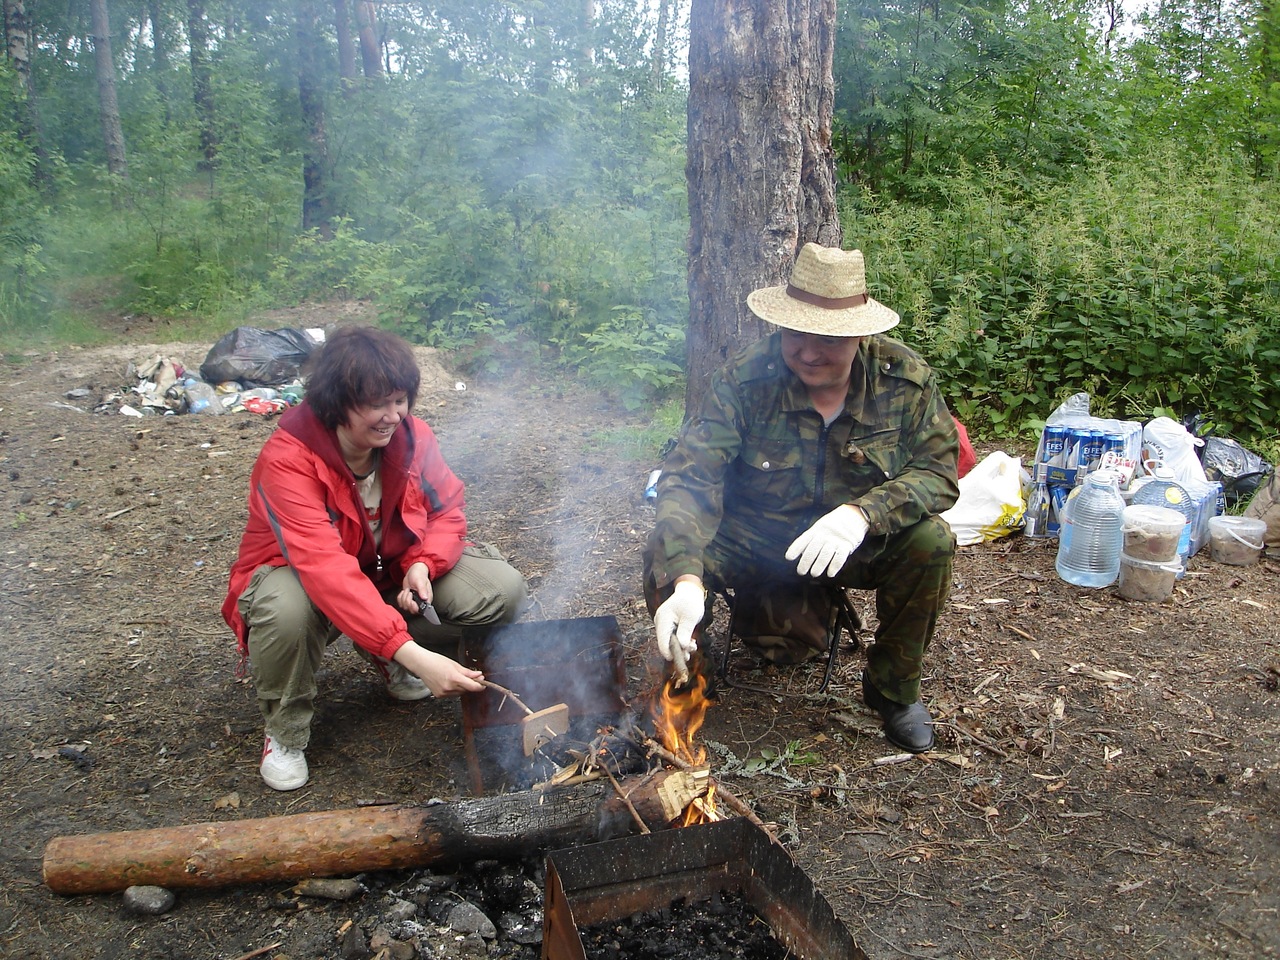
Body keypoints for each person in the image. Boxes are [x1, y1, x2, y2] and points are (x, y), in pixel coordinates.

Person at [645, 243, 959, 753]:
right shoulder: (745, 380)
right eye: (796, 333)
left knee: (931, 541)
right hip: (755, 534)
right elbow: (689, 477)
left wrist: (862, 514)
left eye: (828, 339)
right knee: (668, 546)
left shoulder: (903, 381)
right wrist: (685, 580)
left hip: (850, 542)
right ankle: (690, 676)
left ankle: (893, 690)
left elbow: (939, 471)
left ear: (859, 334)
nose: (809, 352)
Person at [221, 326, 527, 790]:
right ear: (337, 402)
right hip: (304, 583)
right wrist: (418, 657)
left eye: (400, 400)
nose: (393, 416)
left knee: (501, 591)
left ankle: (381, 649)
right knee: (285, 611)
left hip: (387, 571)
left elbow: (447, 511)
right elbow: (325, 569)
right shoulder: (289, 460)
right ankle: (285, 731)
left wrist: (423, 564)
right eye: (377, 404)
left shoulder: (412, 438)